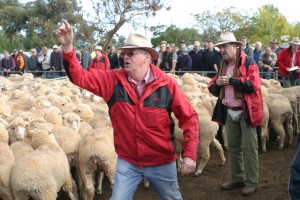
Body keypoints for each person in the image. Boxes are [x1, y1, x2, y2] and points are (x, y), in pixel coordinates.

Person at [57, 19, 199, 199]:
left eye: (131, 53)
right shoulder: (112, 81)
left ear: (147, 57)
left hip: (161, 161)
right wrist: (68, 48)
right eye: (124, 53)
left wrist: (190, 154)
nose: (125, 57)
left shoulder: (166, 84)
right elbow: (80, 77)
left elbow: (189, 118)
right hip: (128, 161)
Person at [208, 32, 264, 196]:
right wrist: (218, 83)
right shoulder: (223, 63)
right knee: (232, 147)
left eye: (225, 46)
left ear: (235, 46)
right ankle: (237, 178)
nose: (222, 50)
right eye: (220, 47)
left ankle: (252, 181)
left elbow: (254, 85)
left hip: (246, 112)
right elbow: (212, 87)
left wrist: (232, 80)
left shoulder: (249, 61)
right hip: (230, 111)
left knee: (249, 148)